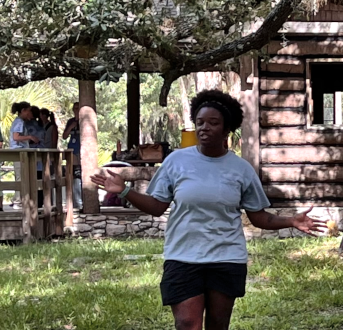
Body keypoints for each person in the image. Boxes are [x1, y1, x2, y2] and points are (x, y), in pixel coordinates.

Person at [90, 89, 328, 330]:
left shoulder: (241, 169)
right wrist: (124, 191)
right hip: (183, 257)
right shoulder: (176, 161)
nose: (204, 128)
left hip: (226, 258)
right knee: (187, 324)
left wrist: (291, 221)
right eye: (200, 122)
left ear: (226, 130)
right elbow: (156, 206)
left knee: (218, 324)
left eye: (213, 123)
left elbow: (259, 218)